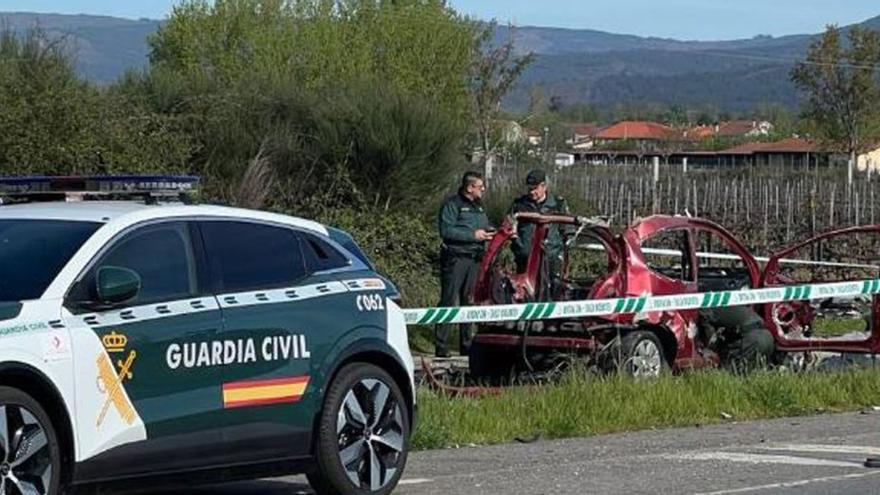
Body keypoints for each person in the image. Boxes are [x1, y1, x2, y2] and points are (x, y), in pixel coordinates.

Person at [435, 171, 493, 358]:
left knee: (469, 301)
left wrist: (491, 231)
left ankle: (466, 344)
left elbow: (482, 225)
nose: (483, 189)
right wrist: (472, 236)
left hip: (474, 259)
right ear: (469, 188)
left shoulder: (479, 207)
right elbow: (446, 230)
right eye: (480, 186)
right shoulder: (452, 205)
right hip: (455, 259)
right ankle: (441, 345)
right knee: (449, 300)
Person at [508, 169, 570, 296]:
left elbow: (567, 231)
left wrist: (563, 254)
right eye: (529, 189)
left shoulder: (558, 204)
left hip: (551, 257)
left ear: (544, 186)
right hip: (525, 258)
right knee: (526, 293)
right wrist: (518, 246)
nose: (532, 192)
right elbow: (508, 227)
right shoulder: (519, 205)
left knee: (553, 292)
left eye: (535, 189)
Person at [699, 305, 776, 371]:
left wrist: (709, 345)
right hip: (767, 336)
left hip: (753, 340)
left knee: (732, 373)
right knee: (757, 369)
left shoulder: (705, 307)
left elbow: (705, 321)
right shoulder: (734, 302)